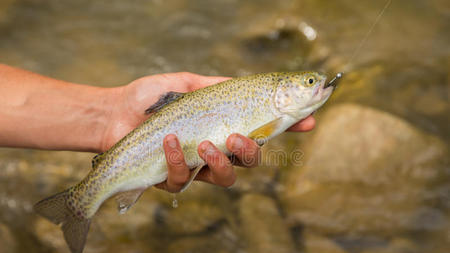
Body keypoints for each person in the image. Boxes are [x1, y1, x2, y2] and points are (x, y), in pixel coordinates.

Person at [0, 64, 315, 192]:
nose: (315, 86)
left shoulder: (276, 108)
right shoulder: (272, 109)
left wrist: (109, 114)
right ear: (282, 92)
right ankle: (86, 197)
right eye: (309, 83)